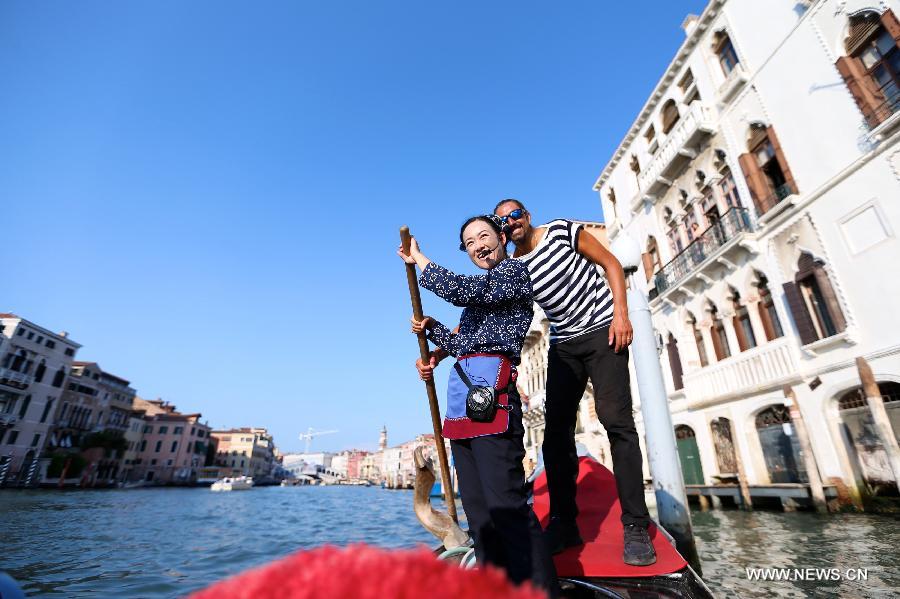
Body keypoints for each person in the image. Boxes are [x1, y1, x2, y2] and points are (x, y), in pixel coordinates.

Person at [399, 215, 558, 595]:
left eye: (483, 236)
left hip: (494, 404)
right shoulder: (479, 301)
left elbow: (461, 291)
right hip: (462, 409)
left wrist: (420, 259)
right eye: (469, 242)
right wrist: (432, 332)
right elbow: (464, 344)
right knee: (480, 514)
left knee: (508, 507)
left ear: (502, 238)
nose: (478, 245)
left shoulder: (513, 274)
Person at [492, 199, 656, 566]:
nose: (511, 222)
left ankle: (635, 525)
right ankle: (565, 523)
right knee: (555, 435)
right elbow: (492, 312)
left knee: (618, 423)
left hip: (603, 331)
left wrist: (621, 314)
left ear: (527, 216)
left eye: (515, 215)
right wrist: (443, 344)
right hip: (563, 345)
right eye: (502, 221)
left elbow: (611, 263)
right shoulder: (513, 267)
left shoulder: (562, 231)